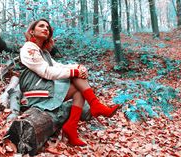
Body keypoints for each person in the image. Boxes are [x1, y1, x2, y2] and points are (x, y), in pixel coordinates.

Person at [19, 18, 120, 146]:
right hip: (34, 92)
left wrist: (78, 67)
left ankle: (72, 127)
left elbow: (58, 67)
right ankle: (95, 106)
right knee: (76, 80)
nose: (46, 28)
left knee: (78, 89)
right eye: (41, 26)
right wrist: (74, 72)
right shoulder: (28, 49)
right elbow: (46, 72)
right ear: (32, 31)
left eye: (48, 28)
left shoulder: (43, 52)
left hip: (45, 88)